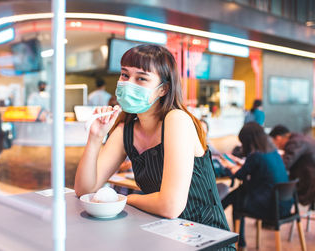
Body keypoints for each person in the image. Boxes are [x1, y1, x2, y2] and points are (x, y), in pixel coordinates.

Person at [75, 44, 233, 249]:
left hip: (204, 240)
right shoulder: (126, 130)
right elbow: (84, 189)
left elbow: (170, 206)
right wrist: (95, 137)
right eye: (124, 75)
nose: (128, 83)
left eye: (141, 78)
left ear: (163, 89)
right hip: (163, 236)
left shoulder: (177, 120)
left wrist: (125, 199)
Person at [221, 122, 291, 249]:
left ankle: (234, 238)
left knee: (237, 197)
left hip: (271, 208)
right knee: (239, 194)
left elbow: (240, 174)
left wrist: (231, 167)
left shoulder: (256, 156)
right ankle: (237, 240)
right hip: (284, 205)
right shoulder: (272, 151)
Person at [269, 125, 315, 205]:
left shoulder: (295, 142)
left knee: (273, 186)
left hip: (308, 182)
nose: (277, 146)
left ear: (278, 138)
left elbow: (285, 165)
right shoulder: (300, 137)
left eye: (275, 143)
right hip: (309, 177)